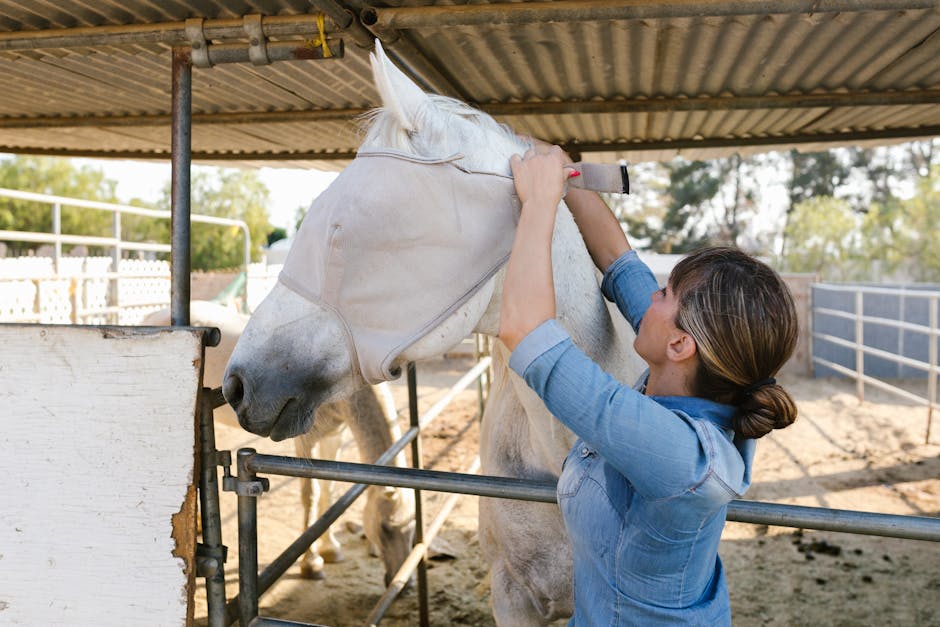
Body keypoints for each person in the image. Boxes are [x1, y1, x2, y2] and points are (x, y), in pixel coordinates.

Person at [498, 144, 799, 625]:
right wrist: (569, 178)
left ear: (680, 345)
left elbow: (523, 330)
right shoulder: (692, 380)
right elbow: (620, 262)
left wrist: (539, 203)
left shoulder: (679, 454)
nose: (650, 297)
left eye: (664, 293)